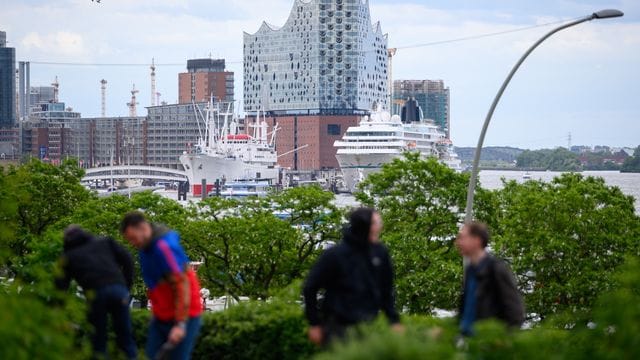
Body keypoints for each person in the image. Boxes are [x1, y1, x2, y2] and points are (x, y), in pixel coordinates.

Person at [303, 208, 402, 346]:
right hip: (337, 325)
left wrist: (393, 320)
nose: (380, 227)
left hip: (368, 324)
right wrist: (314, 323)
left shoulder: (380, 252)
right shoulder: (335, 255)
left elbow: (386, 289)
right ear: (364, 226)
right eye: (376, 223)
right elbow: (310, 287)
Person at [120, 211, 202, 360]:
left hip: (184, 314)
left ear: (143, 227)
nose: (133, 243)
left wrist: (180, 324)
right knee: (153, 355)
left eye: (133, 238)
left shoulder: (164, 248)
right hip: (162, 315)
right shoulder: (145, 250)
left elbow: (181, 284)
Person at [56, 225, 137, 359]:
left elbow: (60, 286)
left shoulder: (67, 256)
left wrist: (59, 309)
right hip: (118, 290)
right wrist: (126, 287)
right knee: (125, 336)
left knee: (98, 340)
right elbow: (128, 259)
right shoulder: (105, 241)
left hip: (95, 293)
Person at [455, 222, 525, 336]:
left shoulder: (497, 269)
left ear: (477, 240)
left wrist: (500, 340)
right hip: (467, 341)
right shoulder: (470, 270)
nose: (458, 242)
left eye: (463, 238)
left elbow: (516, 312)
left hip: (487, 343)